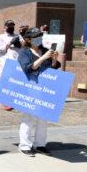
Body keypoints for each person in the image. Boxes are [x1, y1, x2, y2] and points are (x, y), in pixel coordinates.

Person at [17, 27, 61, 156]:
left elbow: (53, 68)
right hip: (31, 87)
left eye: (40, 36)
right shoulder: (24, 52)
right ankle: (24, 145)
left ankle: (40, 144)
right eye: (36, 37)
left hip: (45, 87)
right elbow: (28, 68)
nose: (39, 39)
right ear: (28, 39)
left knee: (43, 117)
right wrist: (43, 58)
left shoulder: (45, 50)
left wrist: (53, 59)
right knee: (29, 116)